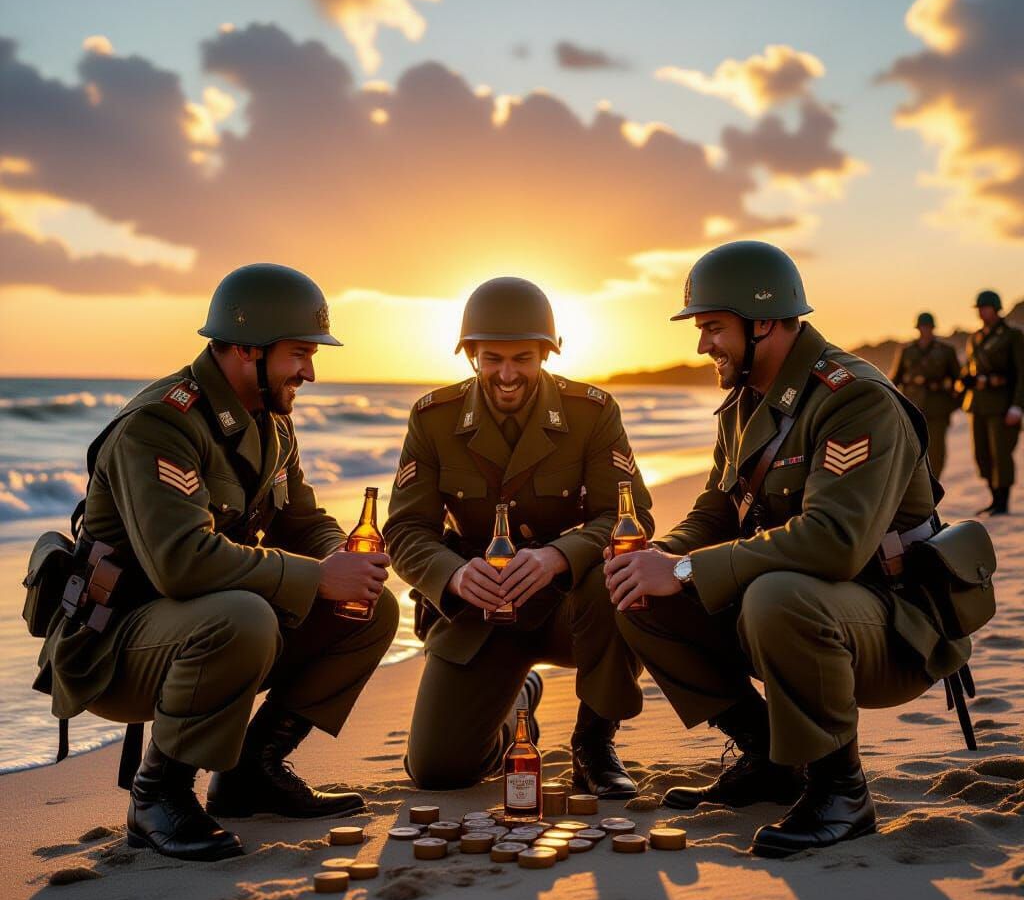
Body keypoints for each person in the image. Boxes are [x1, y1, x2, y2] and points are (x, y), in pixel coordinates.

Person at [604, 241, 970, 858]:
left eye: (713, 327)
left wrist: (685, 569)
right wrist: (657, 558)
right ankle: (773, 761)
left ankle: (841, 792)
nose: (703, 345)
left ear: (764, 322)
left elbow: (834, 542)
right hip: (802, 614)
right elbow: (717, 511)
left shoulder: (854, 396)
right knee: (638, 592)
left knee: (775, 595)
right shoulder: (745, 400)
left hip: (893, 624)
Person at [36, 264, 400, 861]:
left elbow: (303, 520)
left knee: (370, 606)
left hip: (198, 630)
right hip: (115, 645)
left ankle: (252, 772)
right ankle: (157, 796)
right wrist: (317, 578)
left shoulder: (271, 422)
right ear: (246, 348)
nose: (310, 372)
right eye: (299, 354)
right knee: (244, 616)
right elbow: (181, 564)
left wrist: (342, 558)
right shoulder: (160, 424)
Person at [384, 276, 653, 797]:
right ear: (471, 356)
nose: (507, 375)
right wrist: (454, 576)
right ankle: (519, 701)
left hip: (569, 606)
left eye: (522, 359)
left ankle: (594, 743)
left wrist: (558, 557)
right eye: (493, 359)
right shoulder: (433, 418)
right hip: (479, 609)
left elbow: (630, 515)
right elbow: (406, 529)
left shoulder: (591, 412)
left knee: (622, 576)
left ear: (546, 353)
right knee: (438, 770)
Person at [961, 290, 1024, 515]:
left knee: (1001, 454)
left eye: (985, 307)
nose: (981, 312)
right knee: (982, 454)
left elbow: (1022, 373)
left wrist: (1017, 406)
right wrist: (965, 380)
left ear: (996, 308)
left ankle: (1002, 502)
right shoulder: (975, 337)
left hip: (1002, 405)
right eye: (979, 308)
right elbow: (969, 367)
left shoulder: (1012, 335)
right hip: (977, 404)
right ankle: (993, 497)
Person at [889, 312, 960, 478]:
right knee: (914, 449)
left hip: (938, 409)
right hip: (913, 408)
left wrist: (953, 405)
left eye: (928, 327)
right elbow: (895, 380)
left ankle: (933, 485)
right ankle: (918, 485)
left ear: (933, 328)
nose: (925, 330)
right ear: (918, 328)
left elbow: (958, 380)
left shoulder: (946, 351)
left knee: (936, 451)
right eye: (922, 327)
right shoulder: (907, 351)